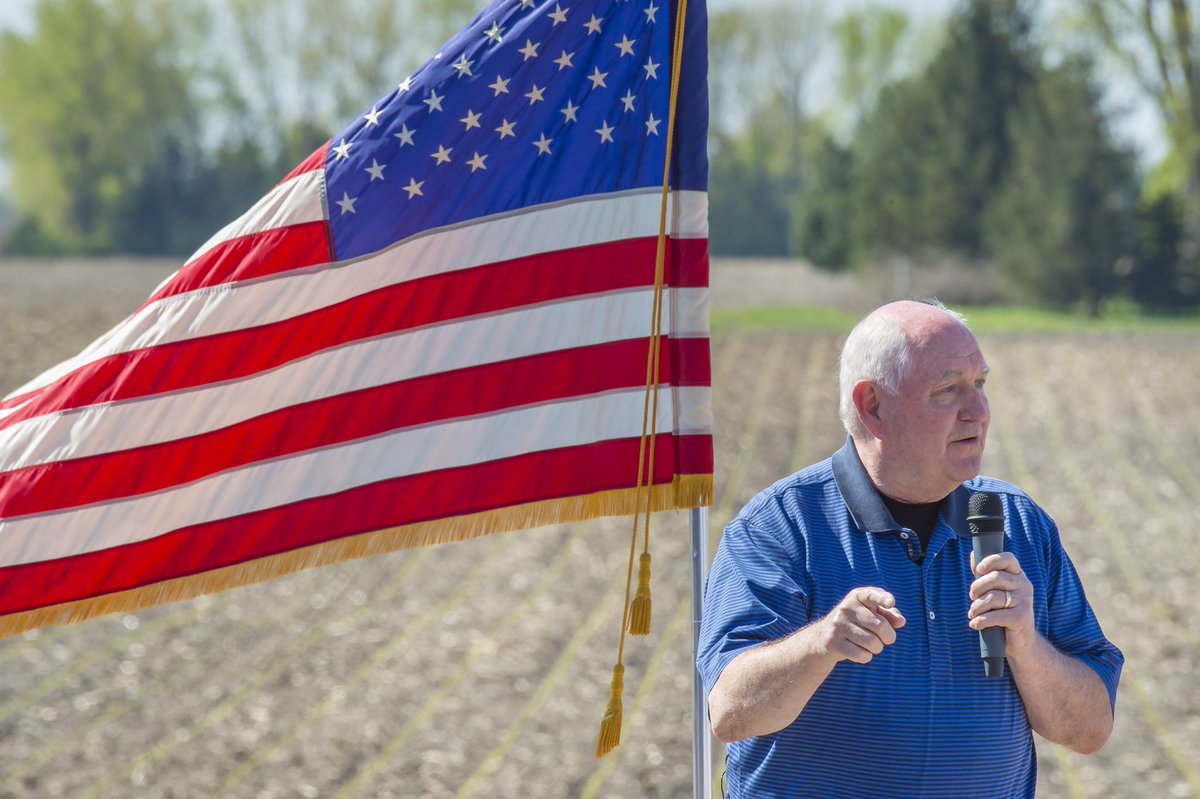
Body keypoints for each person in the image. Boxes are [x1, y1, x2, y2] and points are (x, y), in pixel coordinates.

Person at [697, 300, 1122, 798]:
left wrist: (1027, 647)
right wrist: (820, 645)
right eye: (948, 390)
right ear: (872, 406)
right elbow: (730, 713)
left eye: (980, 384)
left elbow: (1090, 730)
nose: (978, 412)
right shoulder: (781, 526)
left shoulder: (1020, 524)